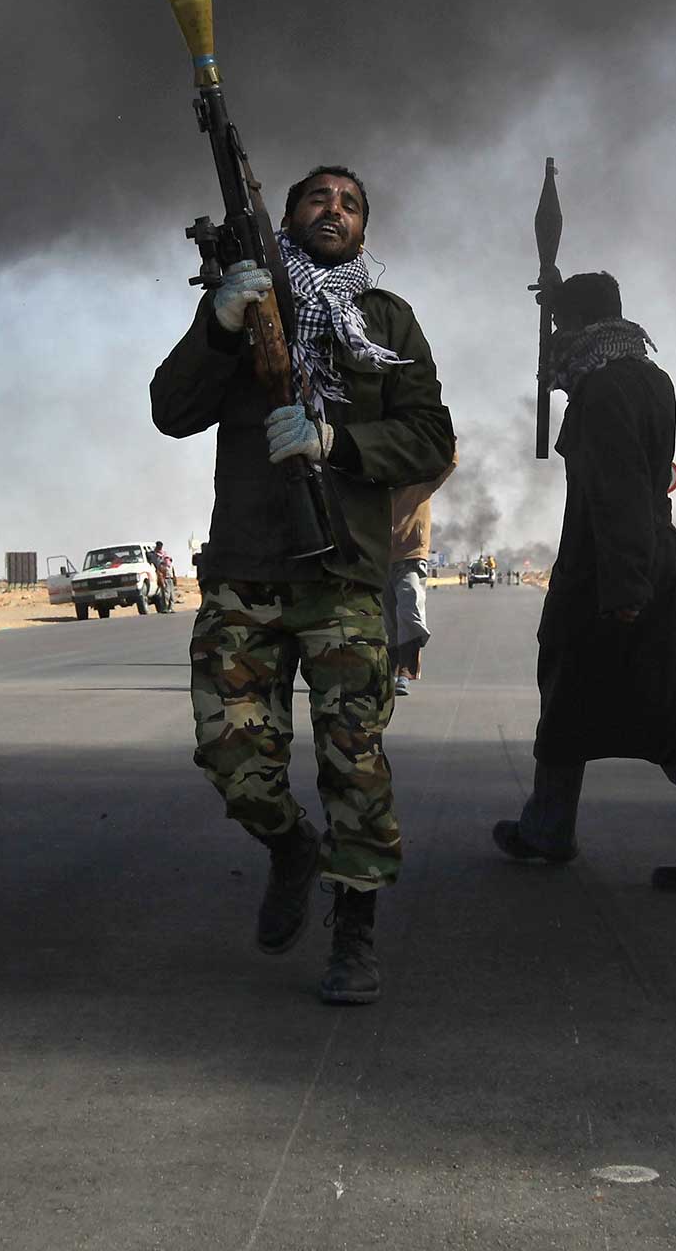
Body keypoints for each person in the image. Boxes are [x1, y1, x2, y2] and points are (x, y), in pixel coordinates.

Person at [151, 165, 454, 1005]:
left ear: (365, 231)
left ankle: (354, 930)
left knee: (355, 764)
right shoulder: (245, 307)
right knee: (232, 758)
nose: (336, 210)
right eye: (319, 198)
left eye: (353, 203)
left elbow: (431, 436)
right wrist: (217, 326)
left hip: (345, 575)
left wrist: (337, 441)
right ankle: (289, 846)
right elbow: (171, 410)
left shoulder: (387, 322)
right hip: (246, 570)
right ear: (286, 216)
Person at [492, 271, 676, 892]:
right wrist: (558, 293)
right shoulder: (646, 376)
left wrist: (625, 589)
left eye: (559, 329)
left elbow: (621, 492)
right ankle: (547, 828)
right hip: (645, 559)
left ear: (578, 329)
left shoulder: (602, 390)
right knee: (576, 698)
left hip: (614, 567)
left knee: (658, 710)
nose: (552, 345)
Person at [384, 448, 455, 694]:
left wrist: (444, 432)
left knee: (409, 609)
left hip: (411, 556)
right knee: (388, 621)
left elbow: (449, 460)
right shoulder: (376, 486)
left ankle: (406, 671)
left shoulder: (421, 483)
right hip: (381, 558)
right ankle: (391, 670)